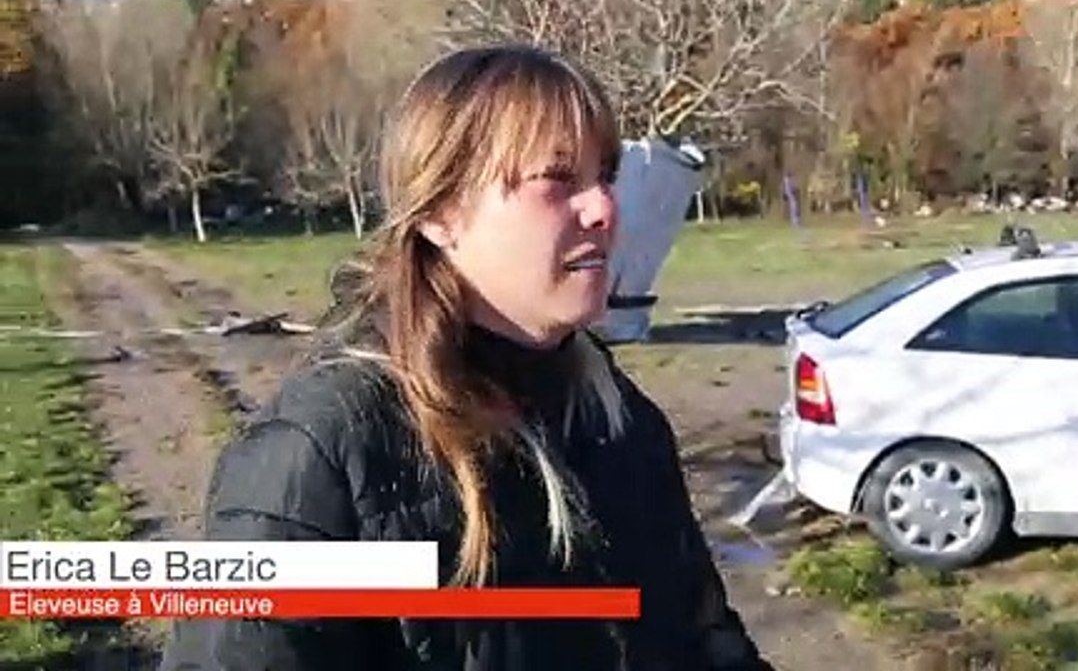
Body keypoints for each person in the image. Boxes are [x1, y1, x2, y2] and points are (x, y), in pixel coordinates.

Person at [159, 44, 772, 671]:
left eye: (606, 175)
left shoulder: (617, 416)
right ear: (440, 214)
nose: (605, 209)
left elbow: (705, 637)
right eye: (558, 180)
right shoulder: (318, 452)